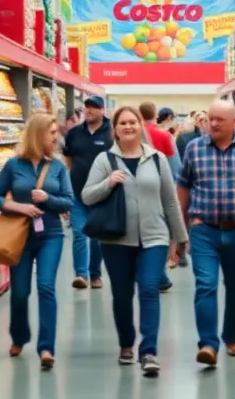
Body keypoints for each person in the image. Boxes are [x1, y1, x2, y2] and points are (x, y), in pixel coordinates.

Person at [81, 106, 189, 377]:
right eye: (123, 123)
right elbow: (86, 196)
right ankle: (126, 344)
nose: (128, 126)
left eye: (133, 122)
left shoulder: (157, 159)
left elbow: (170, 200)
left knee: (150, 289)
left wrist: (181, 237)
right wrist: (108, 183)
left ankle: (149, 351)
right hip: (117, 240)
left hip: (154, 237)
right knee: (122, 295)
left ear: (140, 126)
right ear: (115, 129)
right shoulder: (105, 160)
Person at [177, 98, 235, 366]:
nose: (213, 123)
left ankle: (232, 337)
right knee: (205, 285)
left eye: (219, 119)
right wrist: (181, 228)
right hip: (204, 229)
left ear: (234, 121)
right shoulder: (194, 149)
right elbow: (182, 188)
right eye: (210, 118)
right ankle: (208, 343)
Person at [0, 113, 75, 370]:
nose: (56, 138)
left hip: (50, 234)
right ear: (39, 135)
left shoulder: (58, 167)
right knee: (20, 292)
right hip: (20, 235)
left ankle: (46, 347)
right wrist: (19, 206)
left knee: (46, 286)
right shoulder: (13, 165)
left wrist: (47, 198)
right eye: (52, 133)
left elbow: (69, 201)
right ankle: (19, 337)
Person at [62, 95, 114, 289]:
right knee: (79, 233)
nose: (89, 110)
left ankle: (95, 274)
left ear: (102, 110)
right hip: (77, 193)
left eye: (94, 107)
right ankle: (81, 274)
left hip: (102, 194)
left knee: (97, 236)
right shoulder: (74, 133)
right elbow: (68, 159)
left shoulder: (111, 132)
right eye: (87, 107)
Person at [138, 102, 180, 291]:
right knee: (161, 232)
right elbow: (176, 168)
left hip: (138, 190)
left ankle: (155, 274)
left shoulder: (133, 133)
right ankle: (159, 272)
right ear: (155, 114)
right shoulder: (165, 136)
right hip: (161, 190)